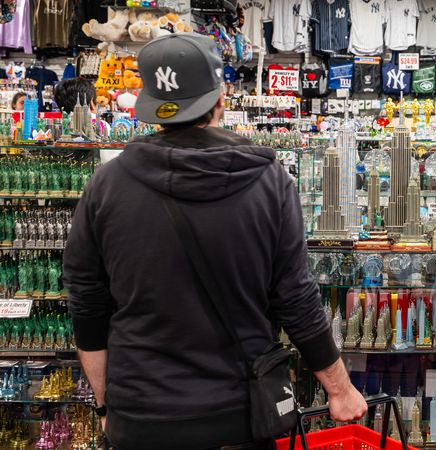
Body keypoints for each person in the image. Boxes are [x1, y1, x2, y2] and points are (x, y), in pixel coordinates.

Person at [63, 33, 367, 450]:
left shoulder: (106, 185)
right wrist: (339, 389)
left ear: (151, 106)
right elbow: (295, 298)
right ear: (220, 98)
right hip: (239, 412)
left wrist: (104, 404)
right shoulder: (268, 181)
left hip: (142, 414)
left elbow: (87, 304)